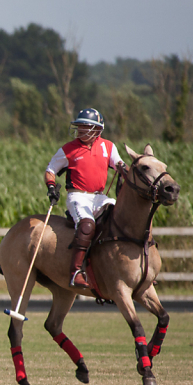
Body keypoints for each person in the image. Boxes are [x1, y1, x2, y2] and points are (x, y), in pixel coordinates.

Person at [44, 107, 126, 289]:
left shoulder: (108, 146)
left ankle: (129, 267)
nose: (80, 130)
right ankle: (76, 272)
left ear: (97, 129)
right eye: (79, 126)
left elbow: (119, 164)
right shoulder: (68, 149)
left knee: (122, 217)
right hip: (78, 197)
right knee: (87, 224)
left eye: (85, 127)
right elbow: (50, 171)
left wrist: (124, 169)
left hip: (99, 197)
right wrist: (51, 187)